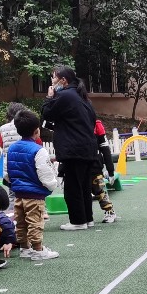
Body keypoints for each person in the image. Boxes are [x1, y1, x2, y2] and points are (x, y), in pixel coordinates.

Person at [41, 65, 100, 230]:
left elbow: (47, 113)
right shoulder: (83, 97)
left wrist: (49, 97)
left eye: (54, 77)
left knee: (72, 187)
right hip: (88, 148)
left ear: (63, 80)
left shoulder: (65, 95)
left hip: (73, 149)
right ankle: (87, 219)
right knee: (84, 186)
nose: (52, 81)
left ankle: (78, 221)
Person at [5, 110, 60, 260]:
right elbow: (45, 173)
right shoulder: (39, 150)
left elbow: (7, 172)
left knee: (21, 222)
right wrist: (52, 185)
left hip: (18, 194)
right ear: (37, 131)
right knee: (35, 222)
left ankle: (24, 248)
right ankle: (38, 250)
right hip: (35, 195)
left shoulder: (12, 148)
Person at [91, 120, 117, 224]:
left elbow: (105, 149)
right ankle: (85, 216)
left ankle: (109, 210)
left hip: (95, 164)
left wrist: (110, 171)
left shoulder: (97, 125)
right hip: (79, 163)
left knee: (99, 189)